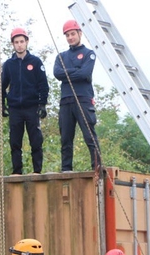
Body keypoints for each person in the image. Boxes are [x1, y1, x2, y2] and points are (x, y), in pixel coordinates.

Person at [54, 19, 100, 171]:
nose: (70, 37)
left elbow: (86, 73)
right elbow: (57, 73)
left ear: (79, 33)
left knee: (89, 136)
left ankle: (97, 167)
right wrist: (77, 71)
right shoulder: (61, 56)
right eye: (67, 35)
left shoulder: (89, 54)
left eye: (72, 34)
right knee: (66, 138)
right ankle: (66, 169)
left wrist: (68, 73)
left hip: (83, 99)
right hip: (66, 101)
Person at [1, 27, 49, 175]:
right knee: (15, 141)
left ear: (27, 42)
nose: (19, 45)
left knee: (35, 140)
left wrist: (42, 104)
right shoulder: (9, 64)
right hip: (15, 108)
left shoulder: (35, 62)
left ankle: (37, 171)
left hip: (31, 107)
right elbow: (2, 86)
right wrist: (2, 104)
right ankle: (17, 171)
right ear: (13, 44)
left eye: (22, 41)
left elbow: (43, 85)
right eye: (16, 42)